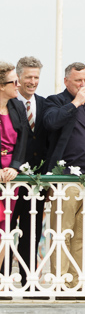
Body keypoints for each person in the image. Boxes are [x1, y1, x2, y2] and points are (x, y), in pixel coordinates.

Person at [43, 62, 85, 291]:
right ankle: (60, 283)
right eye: (79, 80)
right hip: (65, 180)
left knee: (83, 235)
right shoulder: (55, 101)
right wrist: (75, 102)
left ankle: (76, 284)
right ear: (66, 81)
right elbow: (50, 122)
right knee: (62, 233)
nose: (83, 85)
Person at [11, 56, 48, 289]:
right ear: (18, 78)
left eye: (36, 77)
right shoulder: (8, 103)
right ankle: (4, 279)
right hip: (11, 179)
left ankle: (29, 281)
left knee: (32, 231)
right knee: (6, 229)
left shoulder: (45, 104)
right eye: (28, 77)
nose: (33, 82)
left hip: (37, 181)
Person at [0, 62, 28, 275]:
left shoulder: (17, 106)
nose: (18, 86)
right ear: (2, 85)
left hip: (11, 175)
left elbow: (23, 140)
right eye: (14, 82)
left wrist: (16, 167)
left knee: (5, 230)